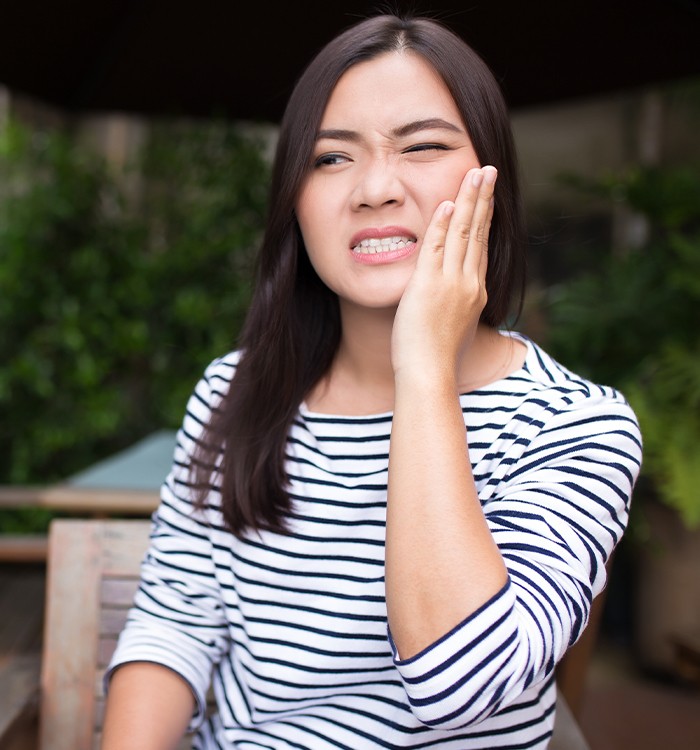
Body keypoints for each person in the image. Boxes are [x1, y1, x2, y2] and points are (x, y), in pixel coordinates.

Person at [101, 12, 642, 750]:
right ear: (293, 199)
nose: (375, 188)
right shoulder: (235, 391)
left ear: (495, 181)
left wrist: (421, 365)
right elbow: (175, 627)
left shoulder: (576, 426)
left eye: (421, 147)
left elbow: (463, 685)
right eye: (330, 159)